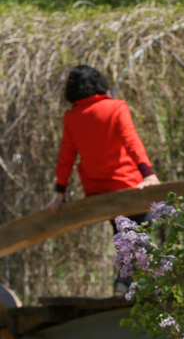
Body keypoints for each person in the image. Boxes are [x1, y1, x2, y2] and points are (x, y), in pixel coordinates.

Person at [48, 65, 160, 293]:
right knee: (142, 225)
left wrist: (60, 191)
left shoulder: (72, 117)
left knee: (121, 230)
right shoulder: (115, 107)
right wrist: (148, 174)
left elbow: (66, 156)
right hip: (126, 182)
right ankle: (133, 282)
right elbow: (131, 141)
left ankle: (125, 282)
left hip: (97, 189)